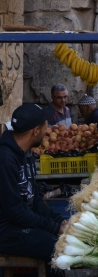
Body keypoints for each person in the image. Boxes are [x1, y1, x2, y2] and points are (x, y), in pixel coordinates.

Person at [0, 104, 67, 277]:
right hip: (6, 231)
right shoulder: (6, 159)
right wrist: (53, 227)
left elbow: (35, 200)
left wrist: (60, 221)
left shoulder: (25, 153)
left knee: (63, 241)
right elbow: (14, 211)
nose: (48, 129)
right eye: (46, 125)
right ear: (36, 131)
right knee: (55, 247)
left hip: (19, 224)